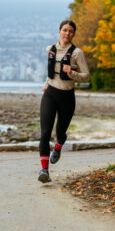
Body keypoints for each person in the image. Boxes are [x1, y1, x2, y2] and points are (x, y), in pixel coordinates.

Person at [38, 20, 90, 183]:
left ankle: (58, 146)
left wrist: (72, 73)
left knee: (60, 133)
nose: (67, 33)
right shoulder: (50, 50)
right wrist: (46, 84)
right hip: (50, 94)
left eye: (71, 31)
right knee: (45, 132)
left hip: (67, 97)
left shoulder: (77, 53)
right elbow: (51, 71)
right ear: (59, 31)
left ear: (73, 34)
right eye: (65, 30)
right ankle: (44, 170)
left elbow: (87, 76)